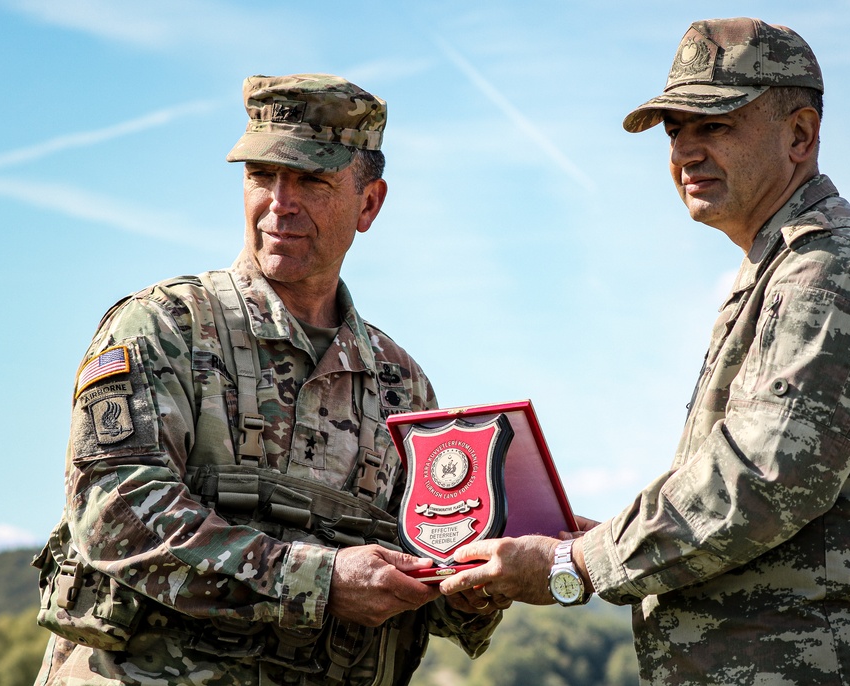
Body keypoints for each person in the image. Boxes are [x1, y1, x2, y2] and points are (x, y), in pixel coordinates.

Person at [439, 17, 850, 685]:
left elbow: (760, 482)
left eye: (716, 124)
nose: (686, 151)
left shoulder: (836, 267)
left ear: (801, 134)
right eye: (676, 130)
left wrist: (574, 566)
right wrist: (593, 542)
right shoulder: (782, 270)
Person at [33, 73, 503, 686]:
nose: (280, 202)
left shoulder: (400, 384)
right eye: (262, 176)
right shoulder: (165, 328)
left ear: (369, 203)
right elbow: (115, 513)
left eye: (312, 179)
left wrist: (475, 581)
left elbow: (425, 566)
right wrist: (322, 580)